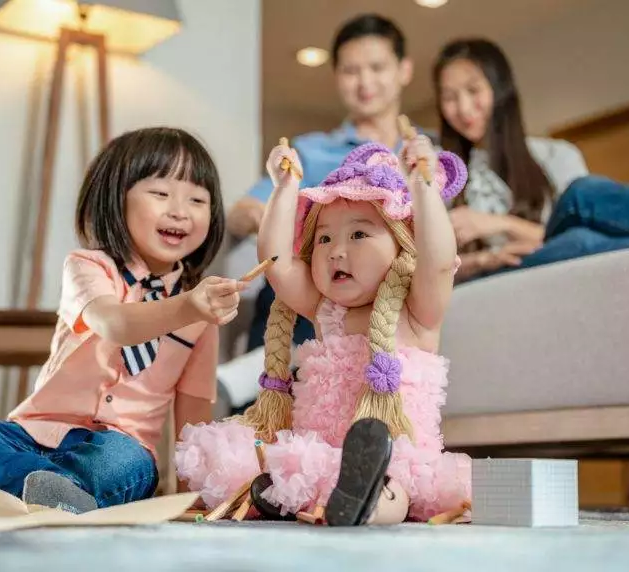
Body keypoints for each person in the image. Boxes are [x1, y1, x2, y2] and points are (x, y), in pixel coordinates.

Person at [0, 127, 245, 515]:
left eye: (198, 199)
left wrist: (192, 500)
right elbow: (115, 323)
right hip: (31, 435)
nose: (180, 210)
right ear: (114, 199)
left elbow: (193, 420)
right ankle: (49, 492)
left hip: (118, 446)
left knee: (125, 464)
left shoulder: (202, 313)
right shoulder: (89, 267)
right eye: (161, 193)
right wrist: (189, 306)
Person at [176, 135, 472, 526]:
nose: (336, 250)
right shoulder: (325, 309)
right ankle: (294, 496)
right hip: (319, 454)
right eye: (325, 238)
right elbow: (276, 263)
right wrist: (286, 188)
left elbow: (437, 261)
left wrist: (423, 186)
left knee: (396, 491)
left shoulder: (415, 310)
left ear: (403, 245)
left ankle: (365, 501)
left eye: (359, 235)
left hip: (391, 457)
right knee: (260, 463)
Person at [432, 38, 629, 281]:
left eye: (473, 90)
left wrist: (497, 223)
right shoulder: (444, 174)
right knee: (578, 242)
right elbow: (432, 266)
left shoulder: (553, 154)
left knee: (581, 192)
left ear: (499, 91)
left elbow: (562, 230)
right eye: (449, 97)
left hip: (555, 243)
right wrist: (487, 256)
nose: (463, 108)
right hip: (500, 270)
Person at [227, 13, 421, 353]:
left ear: (404, 70)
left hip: (401, 294)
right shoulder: (311, 150)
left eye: (377, 68)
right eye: (351, 70)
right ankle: (265, 381)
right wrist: (278, 220)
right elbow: (244, 211)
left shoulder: (425, 155)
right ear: (336, 77)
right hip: (319, 290)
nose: (364, 81)